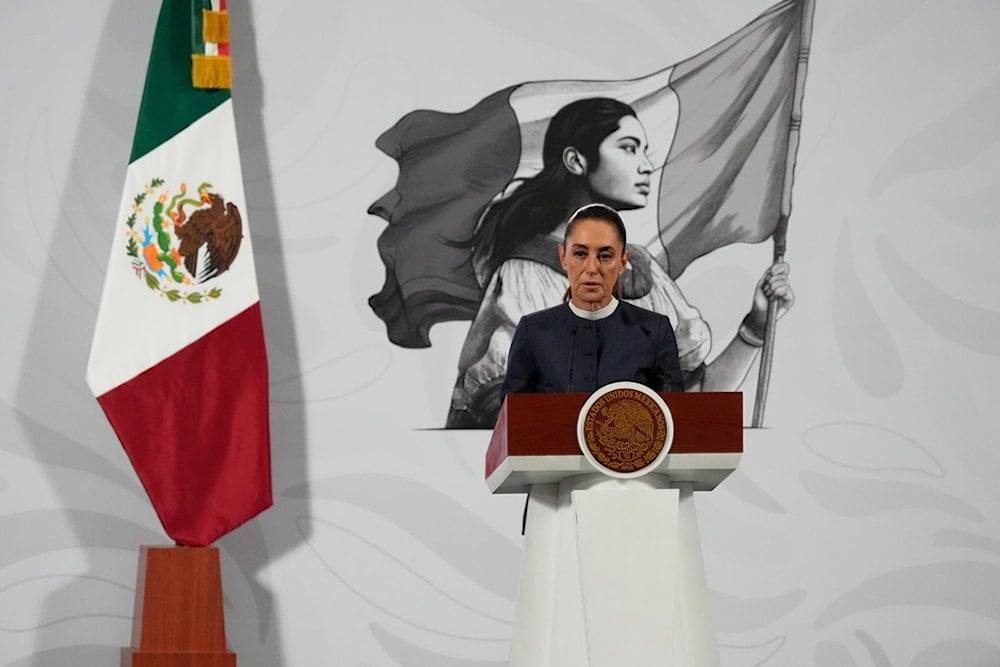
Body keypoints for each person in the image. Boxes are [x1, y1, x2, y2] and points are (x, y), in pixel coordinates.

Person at [446, 97, 793, 427]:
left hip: (649, 482)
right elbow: (508, 415)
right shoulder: (527, 274)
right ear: (576, 161)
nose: (645, 165)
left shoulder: (645, 273)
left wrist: (756, 328)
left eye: (645, 151)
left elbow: (693, 404)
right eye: (628, 148)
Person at [501, 204, 685, 399]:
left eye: (605, 256)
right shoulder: (533, 331)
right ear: (564, 257)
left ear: (623, 262)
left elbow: (672, 418)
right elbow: (513, 420)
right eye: (580, 254)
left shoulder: (654, 331)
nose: (591, 268)